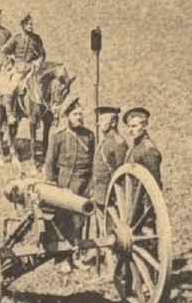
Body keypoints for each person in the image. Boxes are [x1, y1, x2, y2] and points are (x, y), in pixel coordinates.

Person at [43, 94, 96, 271]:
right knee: (62, 222)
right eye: (75, 114)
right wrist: (52, 186)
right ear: (67, 117)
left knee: (79, 223)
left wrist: (90, 187)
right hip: (63, 185)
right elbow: (50, 163)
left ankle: (77, 256)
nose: (79, 117)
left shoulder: (89, 136)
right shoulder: (58, 136)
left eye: (81, 114)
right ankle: (62, 259)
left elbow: (93, 163)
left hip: (82, 184)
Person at [90, 106, 128, 208]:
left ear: (113, 123)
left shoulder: (118, 143)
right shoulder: (105, 141)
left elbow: (121, 172)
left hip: (110, 195)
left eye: (102, 120)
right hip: (100, 194)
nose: (98, 123)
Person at [122, 106, 163, 187]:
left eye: (134, 126)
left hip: (142, 198)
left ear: (145, 127)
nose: (130, 130)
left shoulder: (148, 150)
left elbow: (154, 184)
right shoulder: (135, 146)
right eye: (128, 126)